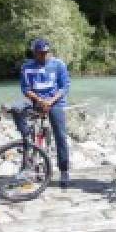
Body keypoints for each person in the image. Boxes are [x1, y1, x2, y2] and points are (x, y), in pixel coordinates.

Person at [19, 38, 72, 187]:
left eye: (45, 53)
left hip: (55, 102)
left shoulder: (59, 64)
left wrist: (50, 101)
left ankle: (64, 170)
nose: (43, 56)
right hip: (35, 102)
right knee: (25, 127)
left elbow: (65, 87)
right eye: (40, 53)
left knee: (60, 135)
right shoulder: (26, 67)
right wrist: (39, 100)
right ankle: (28, 164)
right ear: (34, 53)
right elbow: (25, 88)